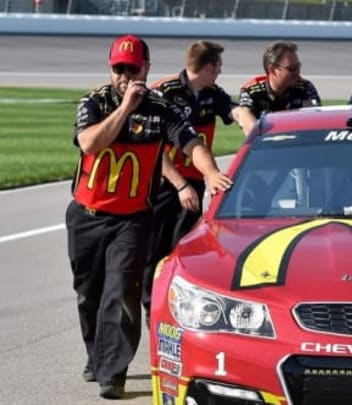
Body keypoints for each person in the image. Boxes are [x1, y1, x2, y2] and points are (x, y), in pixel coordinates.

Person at [65, 34, 232, 399]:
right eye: (118, 68)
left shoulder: (162, 108)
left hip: (133, 218)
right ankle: (97, 356)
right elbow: (90, 143)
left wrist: (208, 172)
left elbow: (191, 144)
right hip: (87, 215)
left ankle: (114, 371)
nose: (125, 75)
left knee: (122, 290)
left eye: (132, 68)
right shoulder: (94, 102)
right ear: (110, 69)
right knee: (87, 293)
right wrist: (125, 108)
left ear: (146, 68)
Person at [143, 40, 244, 320]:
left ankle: (177, 310)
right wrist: (180, 185)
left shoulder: (213, 94)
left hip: (194, 184)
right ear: (209, 67)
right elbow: (153, 150)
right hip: (165, 185)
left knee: (185, 249)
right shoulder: (164, 92)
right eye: (219, 66)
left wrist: (250, 124)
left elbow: (235, 111)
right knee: (155, 253)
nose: (220, 71)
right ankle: (152, 310)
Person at [237, 40, 321, 134]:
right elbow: (247, 123)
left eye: (298, 66)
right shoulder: (251, 91)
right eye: (292, 69)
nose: (297, 73)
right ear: (272, 70)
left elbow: (314, 122)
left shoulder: (305, 87)